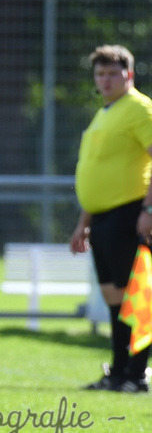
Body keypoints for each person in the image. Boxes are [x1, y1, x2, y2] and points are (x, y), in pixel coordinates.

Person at [69, 44, 152, 393]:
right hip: (102, 219)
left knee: (137, 296)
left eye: (112, 73)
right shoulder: (105, 112)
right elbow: (97, 172)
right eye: (99, 73)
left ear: (128, 75)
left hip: (130, 213)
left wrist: (148, 211)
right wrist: (83, 223)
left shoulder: (140, 109)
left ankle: (136, 374)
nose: (104, 79)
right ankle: (118, 372)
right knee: (114, 297)